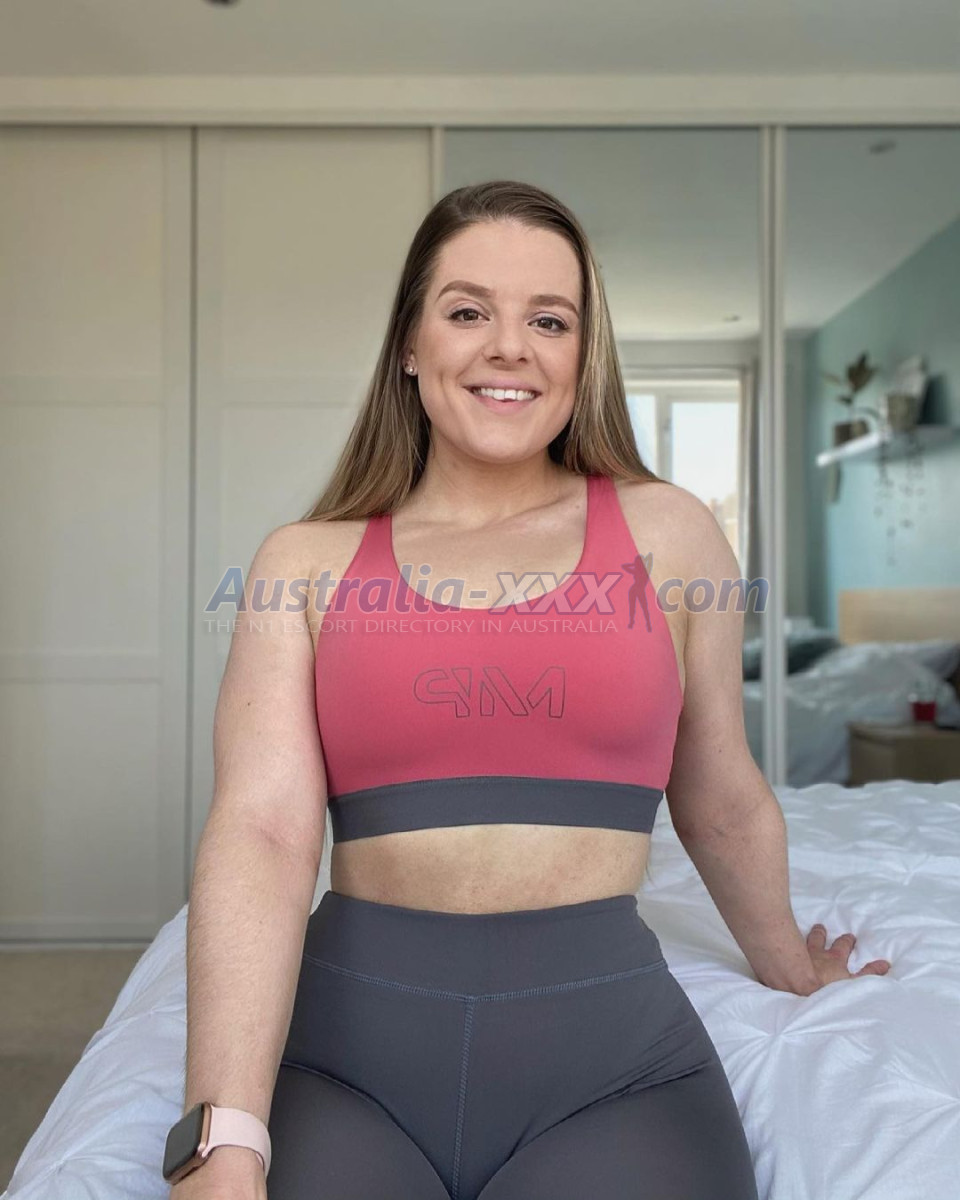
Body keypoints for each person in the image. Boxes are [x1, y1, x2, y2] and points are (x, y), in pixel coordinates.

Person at [168, 179, 890, 1200]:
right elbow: (262, 833)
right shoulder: (303, 561)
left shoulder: (671, 533)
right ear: (409, 342)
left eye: (549, 321)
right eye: (468, 312)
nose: (510, 348)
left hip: (613, 1076)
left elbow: (719, 789)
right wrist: (221, 1137)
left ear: (583, 356)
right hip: (341, 1067)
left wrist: (789, 962)